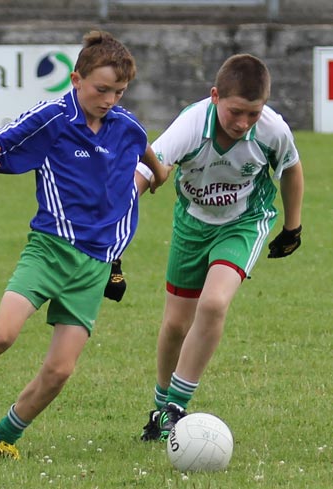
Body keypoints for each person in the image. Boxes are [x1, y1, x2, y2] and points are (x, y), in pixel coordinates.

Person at [0, 30, 169, 460]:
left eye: (119, 91)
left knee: (60, 370)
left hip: (95, 265)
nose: (110, 99)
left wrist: (152, 175)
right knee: (0, 336)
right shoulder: (53, 118)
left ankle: (5, 435)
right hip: (48, 250)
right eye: (101, 89)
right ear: (76, 79)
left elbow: (148, 154)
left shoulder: (126, 126)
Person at [136, 53, 304, 441]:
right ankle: (161, 407)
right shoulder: (192, 123)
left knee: (213, 303)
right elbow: (148, 168)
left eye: (253, 113)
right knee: (175, 325)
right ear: (214, 96)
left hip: (245, 221)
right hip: (192, 223)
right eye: (235, 112)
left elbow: (292, 169)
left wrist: (292, 227)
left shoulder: (272, 130)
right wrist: (124, 209)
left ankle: (176, 407)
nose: (243, 122)